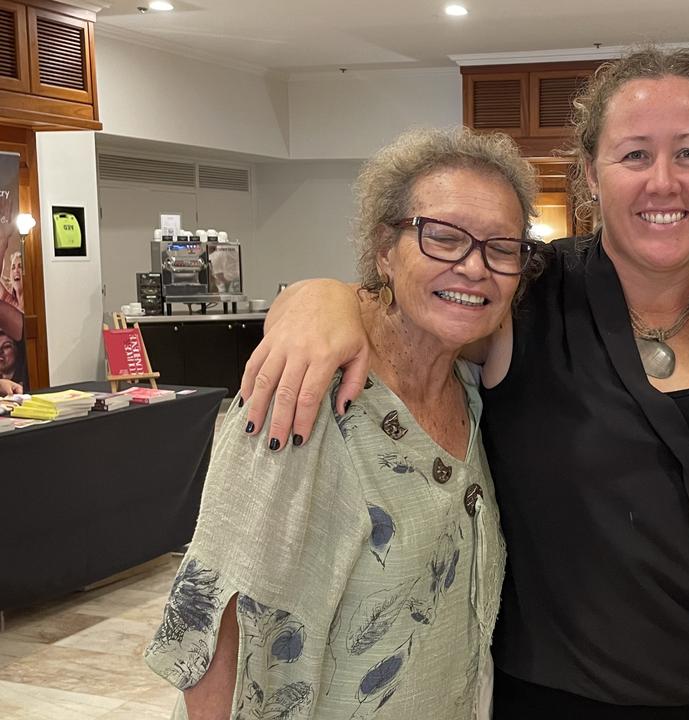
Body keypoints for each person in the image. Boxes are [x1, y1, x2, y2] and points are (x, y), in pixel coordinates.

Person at [239, 47, 689, 718]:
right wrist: (315, 298)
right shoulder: (522, 294)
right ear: (591, 174)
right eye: (635, 155)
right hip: (561, 696)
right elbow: (408, 306)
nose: (663, 181)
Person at [144, 126, 539, 719]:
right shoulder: (306, 391)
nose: (474, 267)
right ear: (385, 249)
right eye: (443, 237)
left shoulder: (472, 392)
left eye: (501, 247)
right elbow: (214, 610)